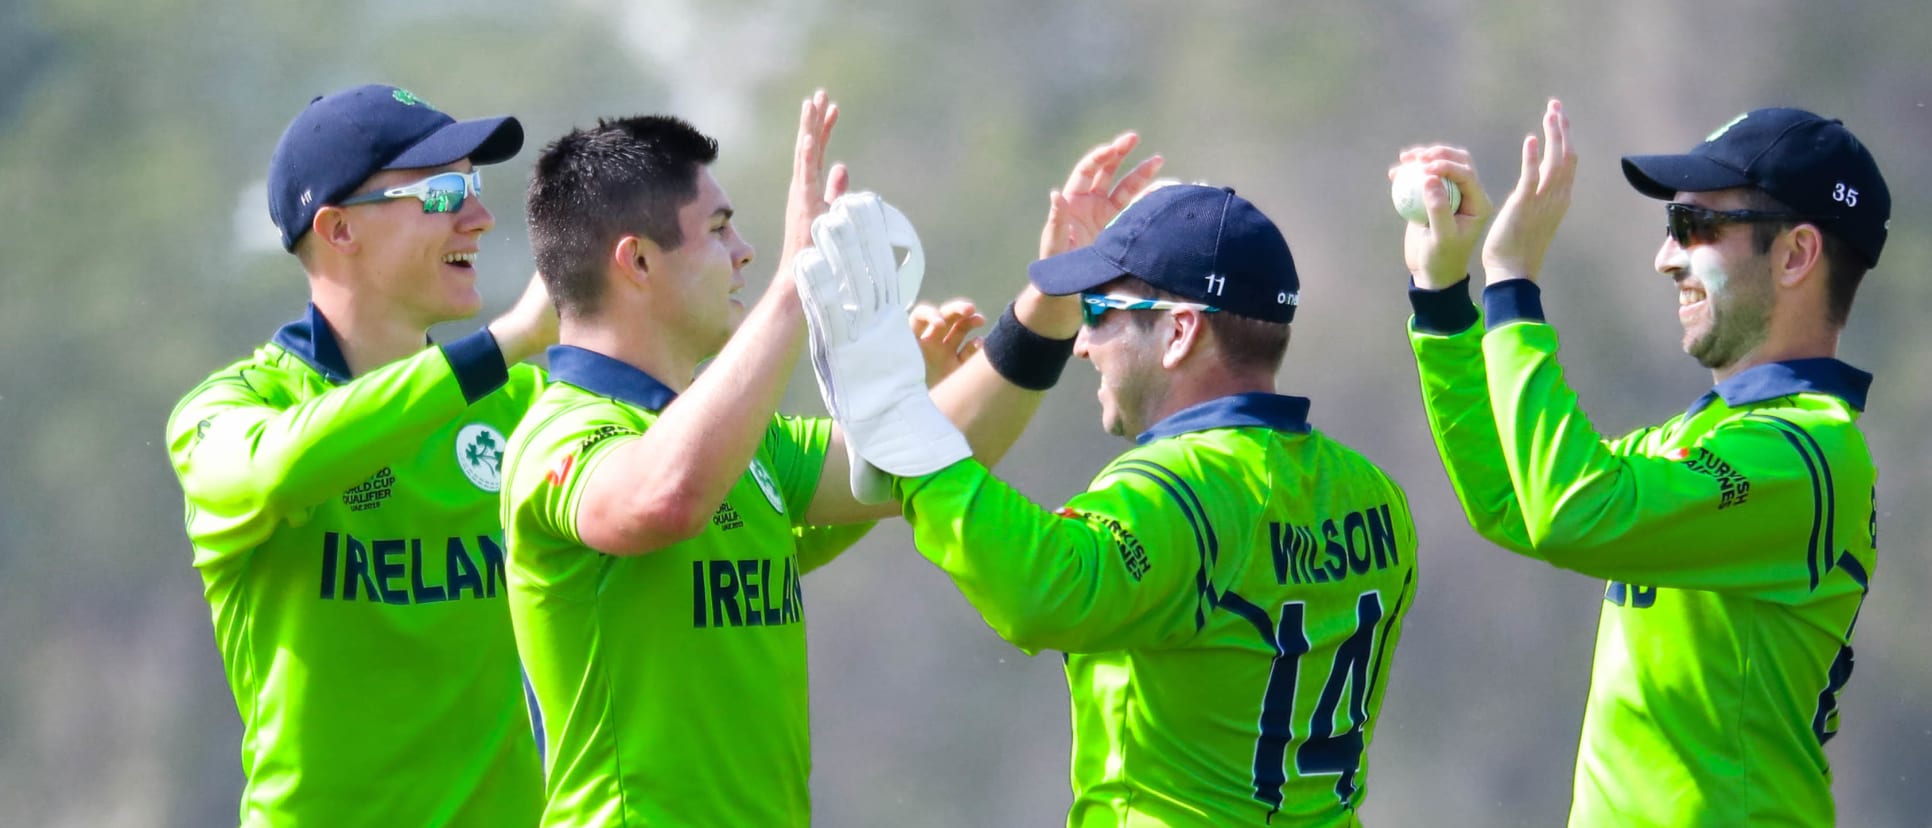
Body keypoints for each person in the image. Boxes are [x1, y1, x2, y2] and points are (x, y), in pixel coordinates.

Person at [499, 93, 1078, 826]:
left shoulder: (747, 443)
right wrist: (793, 288)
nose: (745, 251)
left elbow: (934, 452)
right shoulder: (560, 433)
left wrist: (1050, 305)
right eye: (718, 230)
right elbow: (662, 498)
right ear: (638, 260)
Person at [806, 155, 1421, 824]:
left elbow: (1045, 588)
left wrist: (906, 431)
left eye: (1098, 312)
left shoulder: (1183, 486)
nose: (1081, 345)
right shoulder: (1376, 494)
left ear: (1181, 332)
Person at [1397, 100, 1889, 825]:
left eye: (1697, 228)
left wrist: (1512, 285)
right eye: (1672, 227)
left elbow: (1572, 513)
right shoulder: (1717, 436)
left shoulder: (1806, 450)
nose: (1667, 256)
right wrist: (1444, 304)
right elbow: (1516, 500)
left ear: (1796, 255)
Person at [164, 84, 556, 826]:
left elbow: (686, 491)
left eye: (473, 187)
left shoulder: (520, 404)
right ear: (339, 230)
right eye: (443, 192)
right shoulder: (225, 411)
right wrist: (505, 344)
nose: (480, 216)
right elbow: (279, 470)